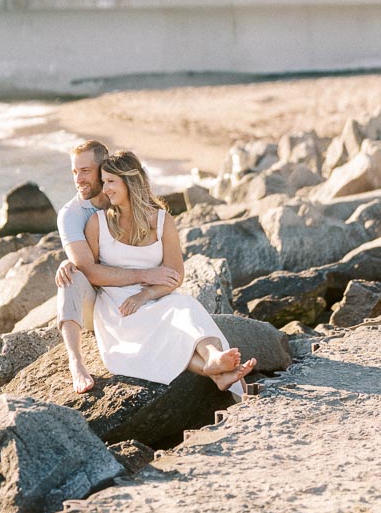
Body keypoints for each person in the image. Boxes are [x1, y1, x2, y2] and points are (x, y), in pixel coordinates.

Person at [84, 150, 255, 394]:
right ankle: (217, 372)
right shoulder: (97, 223)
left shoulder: (162, 221)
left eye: (110, 181)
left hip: (155, 297)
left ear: (130, 181)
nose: (105, 189)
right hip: (116, 307)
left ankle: (215, 360)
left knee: (185, 306)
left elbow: (175, 275)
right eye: (103, 182)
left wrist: (144, 295)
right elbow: (92, 273)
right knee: (167, 331)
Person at [56, 139, 182, 393]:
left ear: (105, 170)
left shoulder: (130, 203)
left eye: (85, 171)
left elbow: (170, 264)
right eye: (74, 171)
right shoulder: (71, 214)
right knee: (69, 277)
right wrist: (146, 274)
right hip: (100, 300)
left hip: (141, 295)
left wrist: (149, 289)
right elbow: (88, 271)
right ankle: (76, 362)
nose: (78, 179)